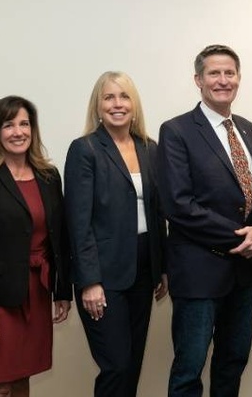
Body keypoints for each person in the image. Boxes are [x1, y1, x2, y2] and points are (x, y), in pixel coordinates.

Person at [157, 44, 252, 397]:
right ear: (198, 80)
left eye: (229, 73)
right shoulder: (176, 131)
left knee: (232, 363)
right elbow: (179, 205)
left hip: (242, 274)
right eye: (214, 73)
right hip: (198, 273)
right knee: (189, 369)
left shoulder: (247, 129)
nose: (223, 80)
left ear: (238, 78)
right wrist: (245, 236)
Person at [0, 96, 72, 396]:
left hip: (37, 291)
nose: (18, 132)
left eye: (24, 124)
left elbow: (59, 239)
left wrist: (62, 291)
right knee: (0, 384)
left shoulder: (48, 176)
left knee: (22, 376)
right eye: (8, 125)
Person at [64, 71, 168, 397]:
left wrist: (161, 266)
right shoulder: (85, 150)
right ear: (97, 105)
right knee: (117, 364)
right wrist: (89, 281)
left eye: (124, 96)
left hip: (143, 269)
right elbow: (77, 222)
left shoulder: (150, 149)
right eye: (109, 97)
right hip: (104, 275)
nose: (117, 104)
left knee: (133, 363)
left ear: (134, 105)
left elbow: (158, 213)